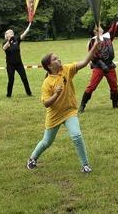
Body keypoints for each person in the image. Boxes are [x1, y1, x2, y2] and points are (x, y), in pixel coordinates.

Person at [26, 37, 99, 173]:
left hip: (69, 111)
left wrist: (94, 48)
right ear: (49, 66)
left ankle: (85, 165)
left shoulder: (66, 69)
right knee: (47, 142)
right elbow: (46, 104)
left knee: (76, 135)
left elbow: (83, 63)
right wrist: (56, 95)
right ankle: (32, 159)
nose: (59, 60)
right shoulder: (47, 83)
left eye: (58, 58)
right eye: (55, 59)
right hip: (55, 115)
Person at [79, 17, 118, 113]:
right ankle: (82, 105)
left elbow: (113, 29)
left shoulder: (107, 36)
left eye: (100, 27)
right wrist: (102, 65)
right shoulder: (93, 41)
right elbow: (93, 56)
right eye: (98, 28)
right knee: (92, 86)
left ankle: (115, 104)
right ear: (94, 31)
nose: (101, 28)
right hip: (99, 67)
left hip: (110, 66)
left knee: (114, 86)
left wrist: (117, 20)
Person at [2, 23, 32, 98]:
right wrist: (9, 41)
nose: (11, 33)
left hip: (19, 64)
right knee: (11, 79)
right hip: (10, 65)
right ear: (6, 35)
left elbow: (24, 34)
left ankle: (29, 93)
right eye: (10, 32)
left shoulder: (17, 40)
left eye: (12, 32)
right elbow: (4, 48)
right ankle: (8, 95)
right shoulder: (4, 43)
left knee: (24, 78)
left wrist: (28, 26)